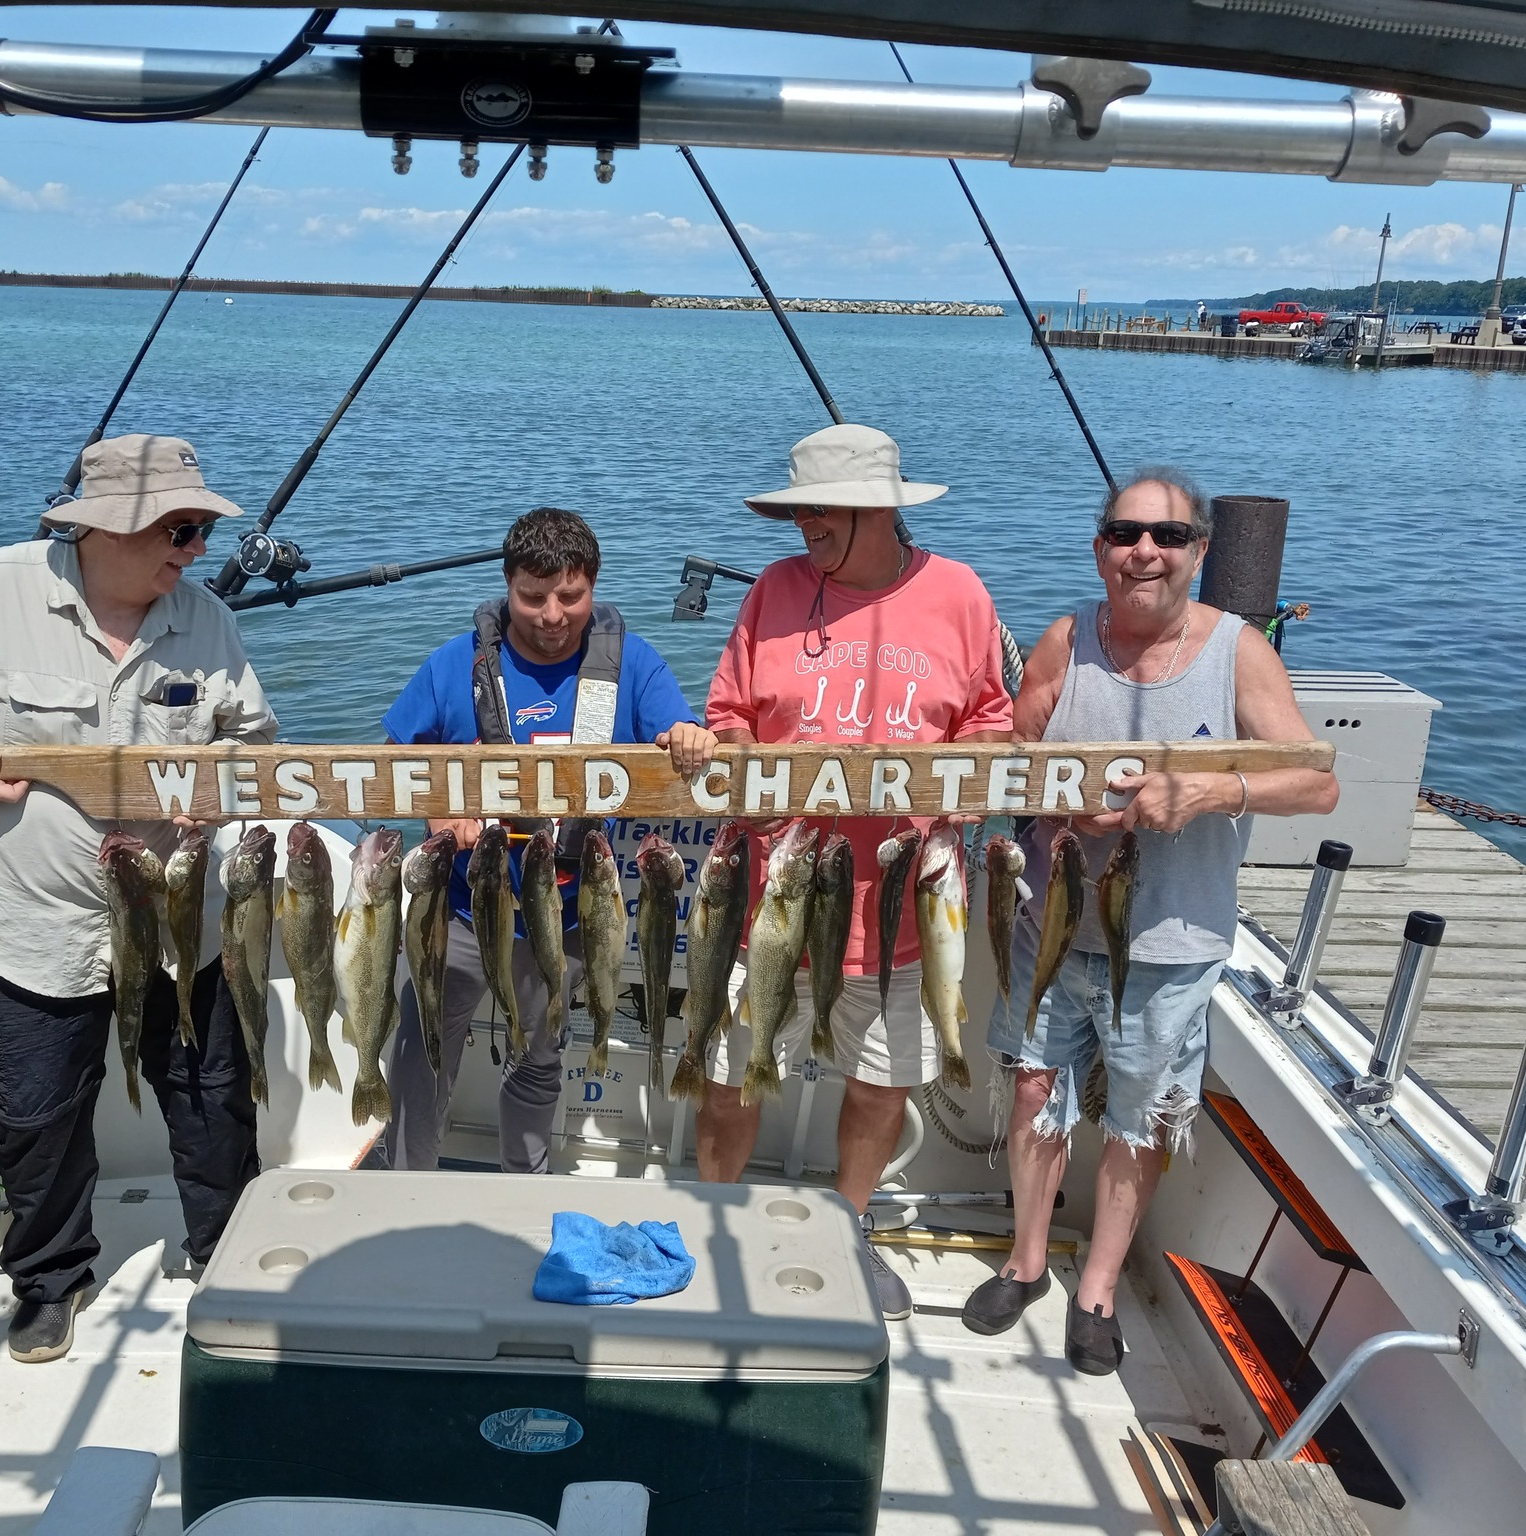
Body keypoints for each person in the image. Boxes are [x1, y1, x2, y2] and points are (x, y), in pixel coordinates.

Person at [0, 434, 277, 1365]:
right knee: (34, 1121)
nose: (196, 548)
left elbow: (253, 741)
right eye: (181, 528)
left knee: (214, 1106)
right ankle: (50, 1280)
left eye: (201, 529)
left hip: (180, 931)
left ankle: (227, 1256)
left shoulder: (205, 621)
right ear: (105, 525)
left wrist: (223, 791)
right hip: (29, 931)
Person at [967, 467, 1337, 1374]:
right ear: (1100, 548)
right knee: (1031, 1093)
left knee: (1138, 1118)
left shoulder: (1238, 652)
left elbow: (1318, 781)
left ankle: (1096, 1288)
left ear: (1200, 552)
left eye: (1168, 538)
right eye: (1128, 533)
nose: (1146, 551)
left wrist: (1214, 791)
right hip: (1050, 929)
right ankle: (1025, 1260)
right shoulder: (1064, 641)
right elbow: (1010, 753)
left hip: (1171, 945)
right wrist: (1057, 804)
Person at [699, 423, 1013, 1322]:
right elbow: (729, 714)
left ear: (878, 510)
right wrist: (733, 755)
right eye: (797, 513)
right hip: (775, 901)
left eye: (819, 512)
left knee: (879, 1086)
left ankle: (849, 1225)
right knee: (727, 1080)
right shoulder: (774, 589)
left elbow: (989, 720)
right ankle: (720, 1226)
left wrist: (974, 778)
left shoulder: (959, 593)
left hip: (910, 904)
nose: (804, 530)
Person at [378, 507, 715, 1174]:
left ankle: (523, 1186)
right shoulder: (454, 665)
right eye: (532, 598)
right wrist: (442, 814)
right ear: (508, 588)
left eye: (571, 596)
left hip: (569, 913)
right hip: (464, 910)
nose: (552, 614)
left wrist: (689, 735)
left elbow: (680, 730)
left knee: (541, 1057)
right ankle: (405, 1183)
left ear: (593, 586)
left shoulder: (633, 662)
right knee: (423, 1053)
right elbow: (395, 760)